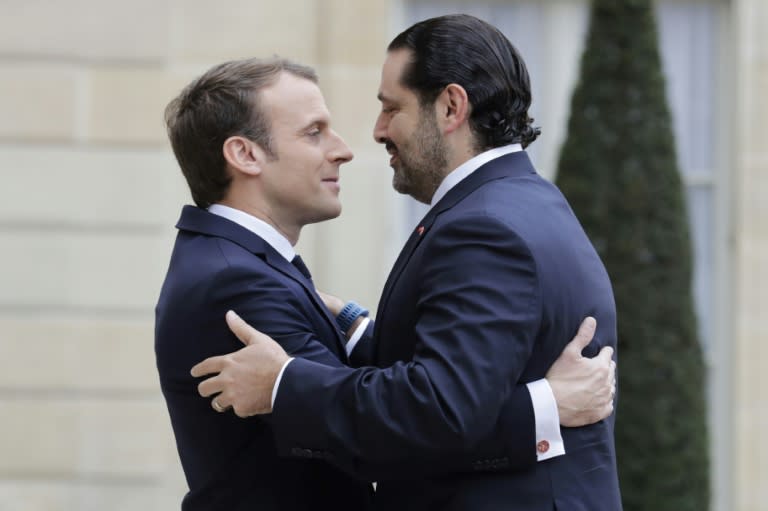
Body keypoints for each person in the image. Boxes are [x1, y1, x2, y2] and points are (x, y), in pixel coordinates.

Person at [192, 14, 622, 511]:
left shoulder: (482, 228)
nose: (377, 132)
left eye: (391, 109)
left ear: (451, 106)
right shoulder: (524, 200)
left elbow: (438, 412)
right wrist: (354, 329)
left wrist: (283, 384)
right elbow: (469, 373)